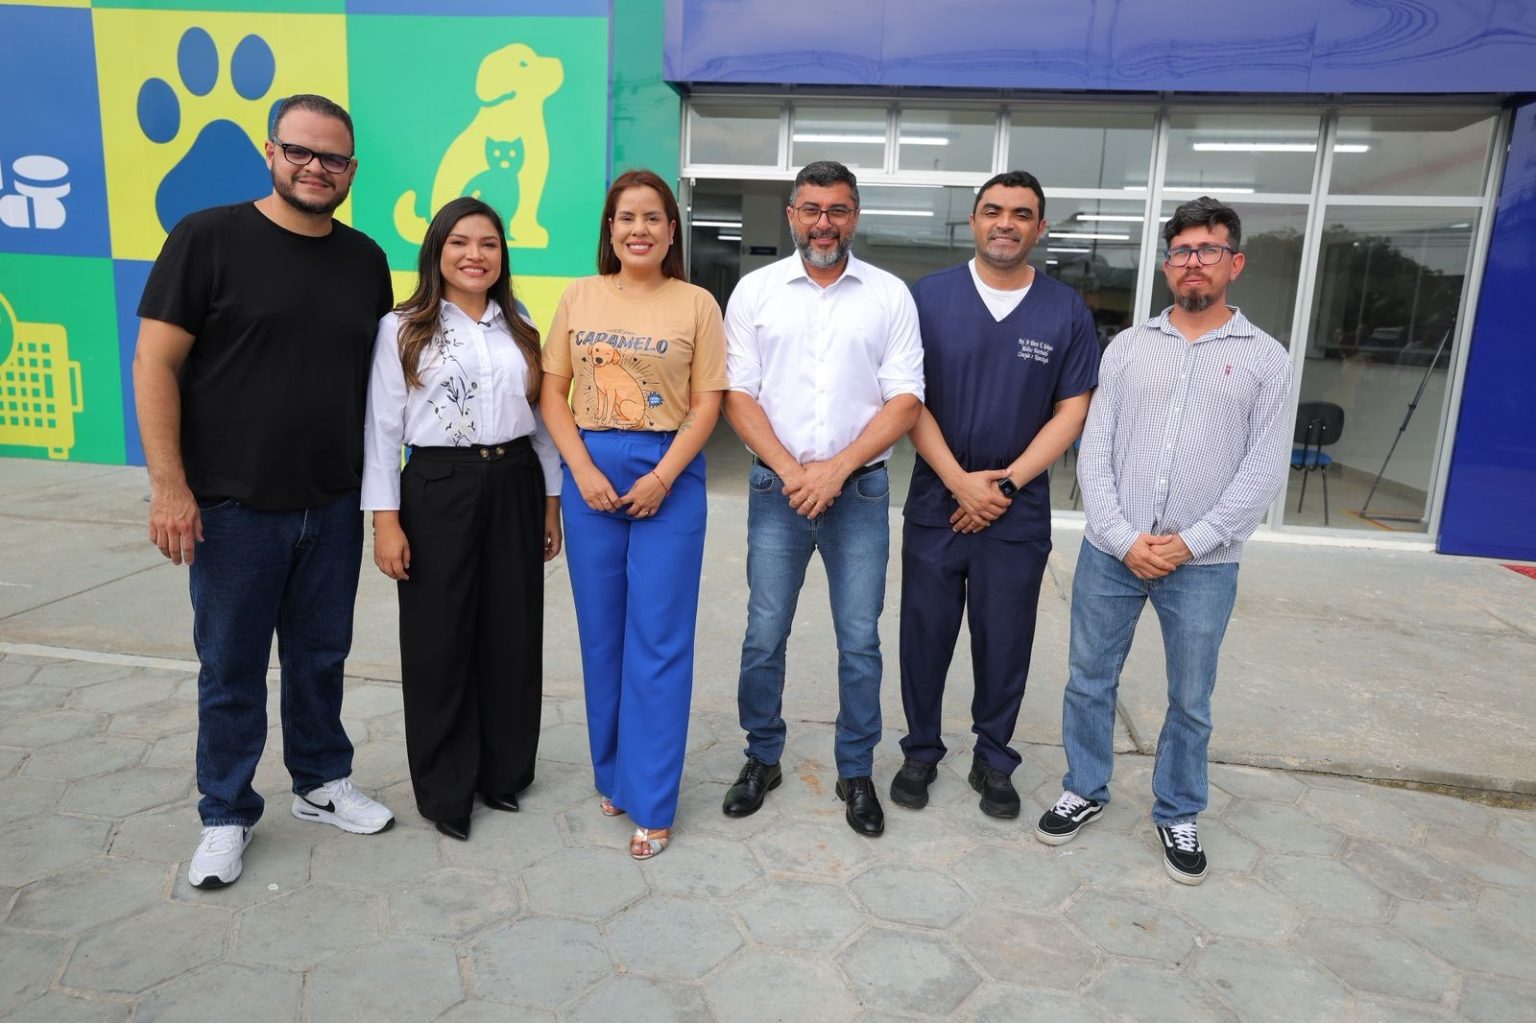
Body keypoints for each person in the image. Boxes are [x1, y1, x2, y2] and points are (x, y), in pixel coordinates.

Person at [133, 94, 396, 890]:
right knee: (233, 666)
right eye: (301, 152)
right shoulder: (207, 238)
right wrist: (169, 485)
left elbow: (382, 389)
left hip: (333, 504)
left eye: (334, 159)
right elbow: (154, 364)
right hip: (233, 508)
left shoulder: (365, 259)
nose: (317, 168)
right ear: (270, 152)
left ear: (353, 171)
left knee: (321, 656)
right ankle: (224, 812)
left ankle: (319, 780)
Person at [1036, 196, 1294, 885]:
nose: (1193, 263)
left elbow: (1263, 470)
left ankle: (1178, 809)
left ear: (1233, 263)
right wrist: (1123, 538)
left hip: (1205, 563)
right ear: (1166, 263)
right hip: (1111, 553)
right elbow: (1094, 450)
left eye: (1208, 250)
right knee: (1089, 679)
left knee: (1191, 697)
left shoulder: (1266, 358)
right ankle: (1084, 788)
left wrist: (1189, 542)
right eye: (1181, 251)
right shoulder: (1128, 348)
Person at [722, 160, 925, 838]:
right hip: (775, 490)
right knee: (763, 634)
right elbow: (738, 395)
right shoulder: (755, 292)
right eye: (811, 208)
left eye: (837, 209)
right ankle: (761, 756)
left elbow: (905, 399)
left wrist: (835, 471)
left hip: (860, 491)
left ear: (855, 215)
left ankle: (856, 768)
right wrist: (793, 471)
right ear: (791, 215)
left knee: (859, 640)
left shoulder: (889, 294)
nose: (823, 222)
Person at [892, 171, 1097, 819]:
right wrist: (957, 480)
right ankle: (921, 749)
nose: (1005, 222)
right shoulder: (927, 298)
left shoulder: (1065, 310)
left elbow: (1072, 410)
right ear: (974, 221)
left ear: (1040, 227)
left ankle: (993, 756)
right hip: (936, 497)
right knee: (924, 631)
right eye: (992, 211)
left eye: (1021, 213)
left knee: (1005, 634)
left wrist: (1004, 484)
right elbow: (906, 399)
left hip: (1017, 505)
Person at [362, 196, 562, 842]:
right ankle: (447, 788)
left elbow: (545, 422)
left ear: (503, 256)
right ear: (437, 251)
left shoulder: (521, 323)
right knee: (438, 639)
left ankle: (502, 773)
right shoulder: (404, 326)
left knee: (510, 632)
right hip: (436, 485)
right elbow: (381, 428)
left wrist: (551, 501)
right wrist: (384, 520)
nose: (475, 255)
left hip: (513, 483)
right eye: (460, 242)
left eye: (489, 244)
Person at [540, 169, 727, 860]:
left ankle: (652, 798)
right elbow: (552, 391)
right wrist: (581, 470)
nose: (639, 229)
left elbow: (708, 402)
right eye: (626, 217)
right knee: (602, 636)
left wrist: (662, 476)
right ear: (609, 229)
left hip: (668, 475)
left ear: (672, 231)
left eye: (653, 217)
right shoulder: (579, 296)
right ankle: (612, 772)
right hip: (592, 473)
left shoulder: (698, 304)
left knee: (659, 639)